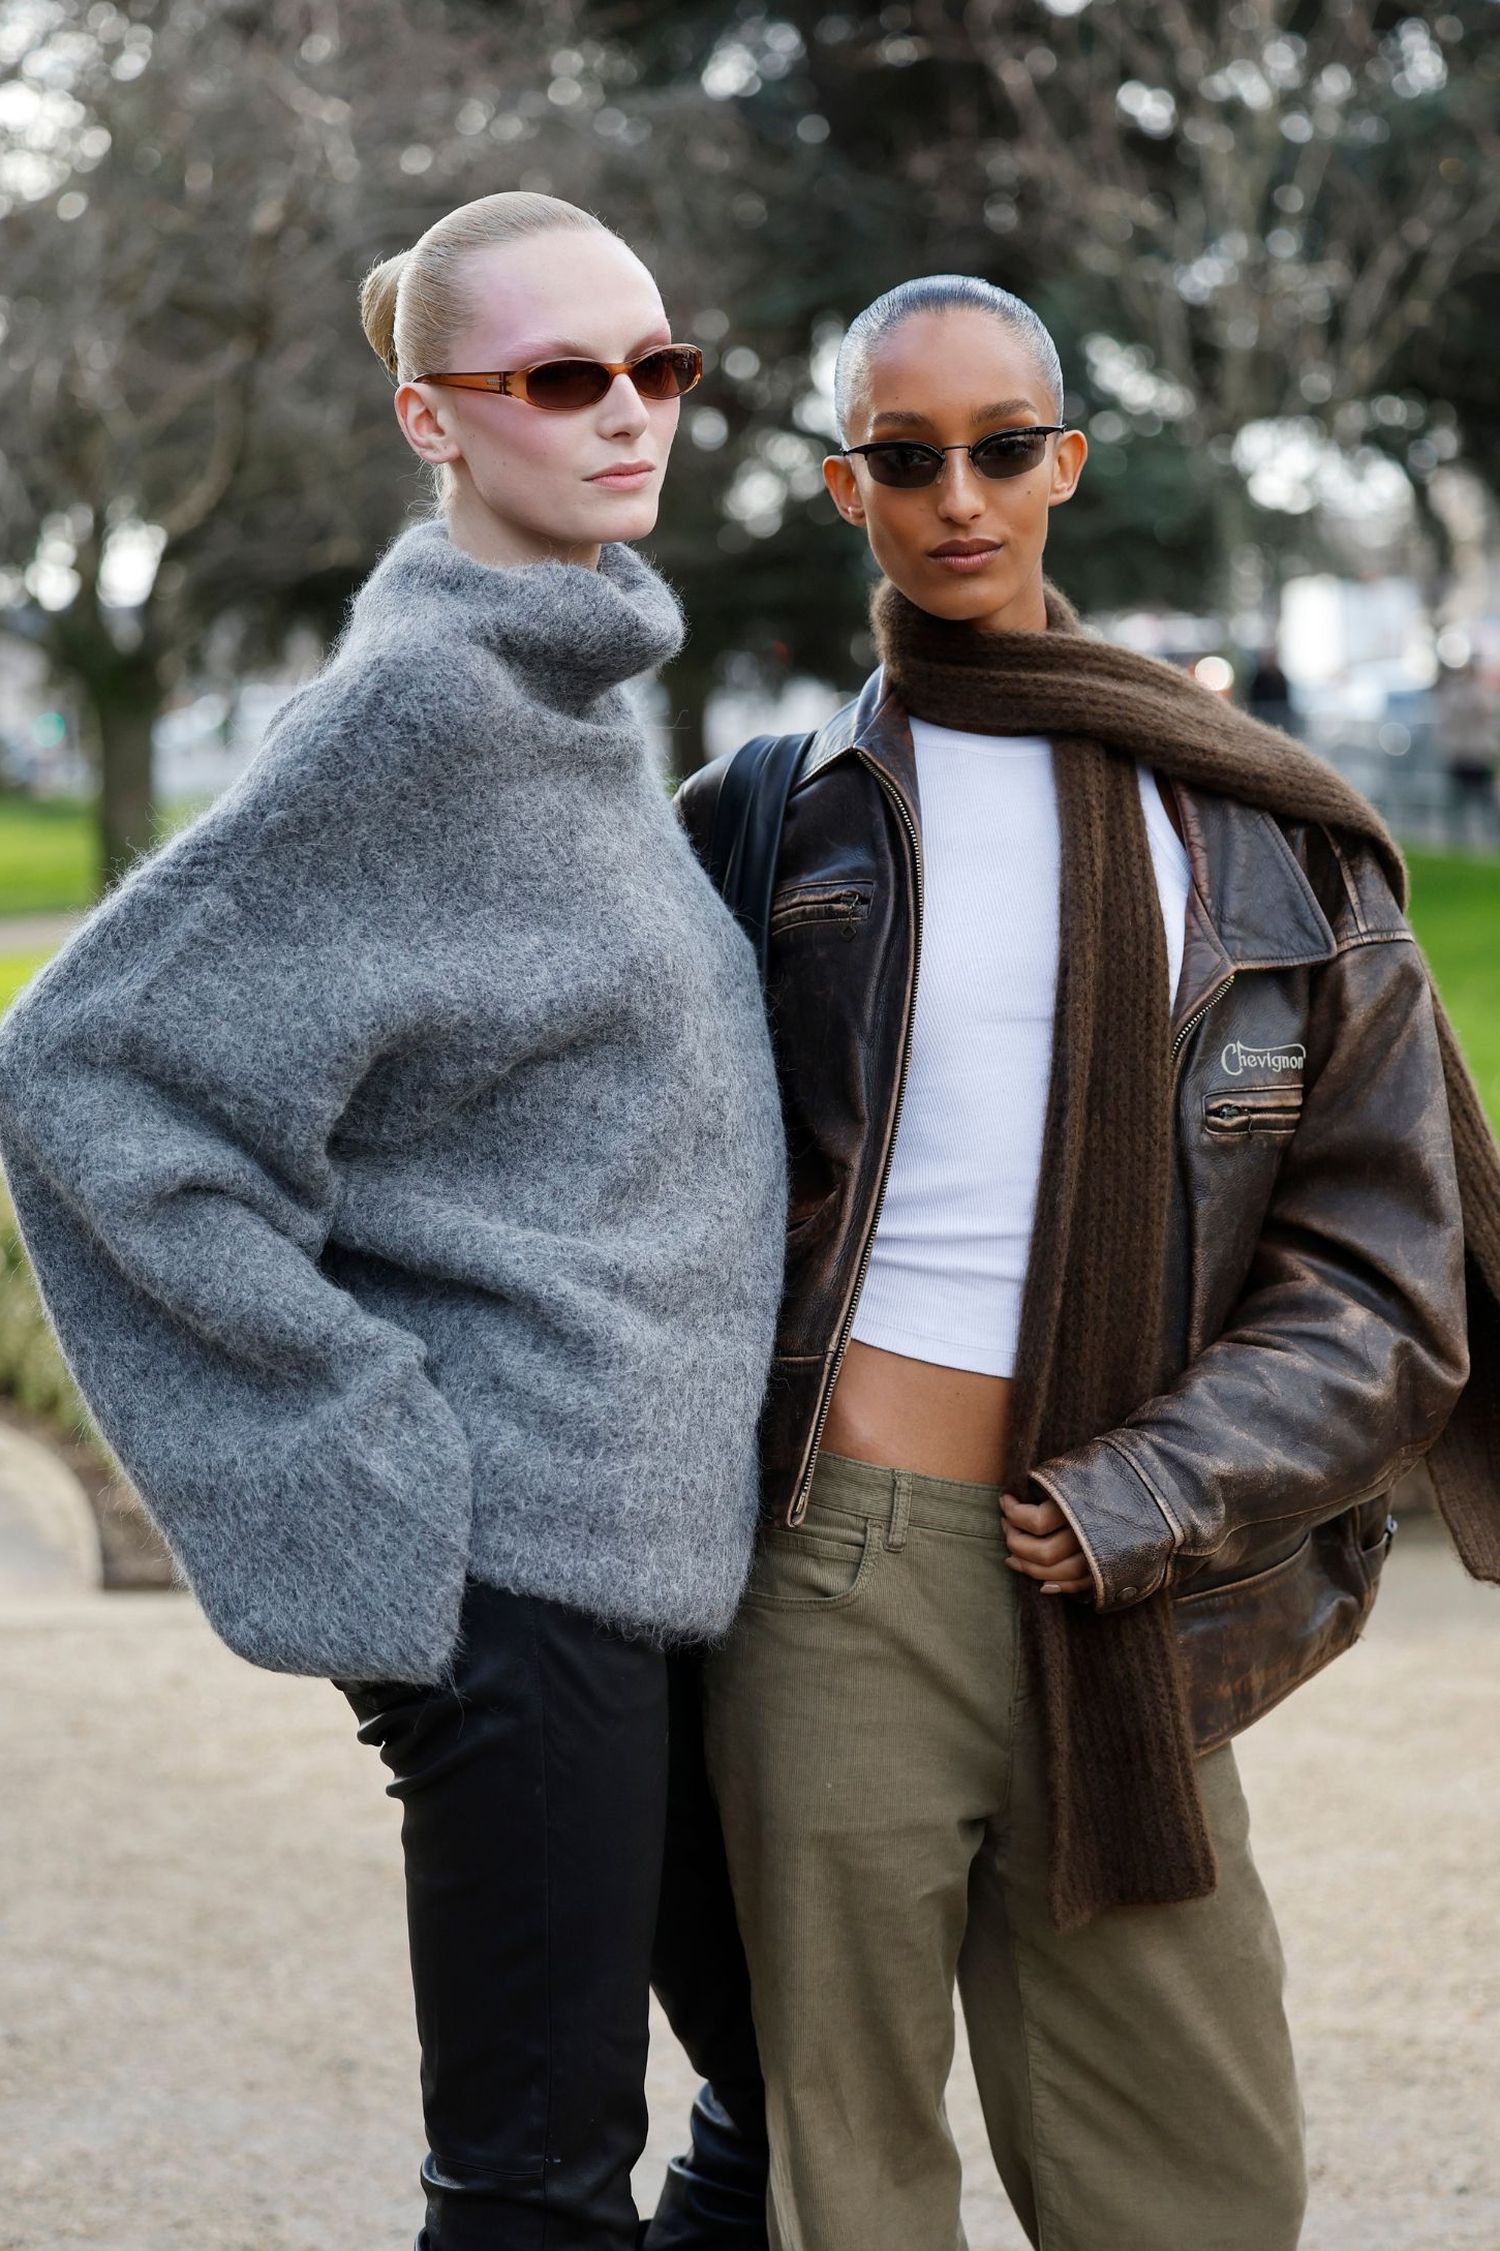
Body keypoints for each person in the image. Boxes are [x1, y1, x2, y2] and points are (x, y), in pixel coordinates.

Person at [673, 275, 1500, 2251]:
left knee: (1202, 2183)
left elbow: (1391, 1262)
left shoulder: (1255, 833)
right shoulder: (766, 830)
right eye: (903, 456)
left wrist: (1154, 1488)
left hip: (1129, 1581)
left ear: (1067, 460)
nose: (957, 494)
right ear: (842, 483)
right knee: (842, 2180)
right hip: (833, 1567)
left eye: (998, 447)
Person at [0, 192, 787, 2251]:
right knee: (535, 2180)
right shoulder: (416, 716)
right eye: (560, 379)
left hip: (657, 1548)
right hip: (522, 1559)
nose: (629, 413)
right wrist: (356, 1434)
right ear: (434, 420)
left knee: (800, 2095)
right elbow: (88, 1066)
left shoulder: (567, 705)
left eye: (658, 366)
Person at [1435, 654, 1500, 849]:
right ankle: (1457, 841)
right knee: (1459, 803)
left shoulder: (1481, 692)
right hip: (1462, 756)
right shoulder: (1456, 693)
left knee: (1485, 802)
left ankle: (1490, 839)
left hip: (1479, 756)